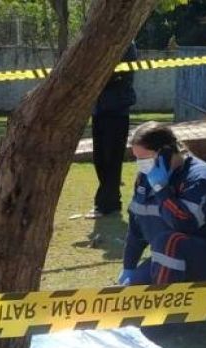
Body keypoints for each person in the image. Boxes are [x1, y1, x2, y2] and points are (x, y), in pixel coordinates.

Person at [119, 122, 206, 286]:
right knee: (130, 292)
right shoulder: (146, 178)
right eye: (137, 158)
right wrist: (128, 267)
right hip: (167, 257)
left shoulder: (199, 176)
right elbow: (136, 227)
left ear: (166, 152)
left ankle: (162, 304)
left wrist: (161, 189)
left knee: (169, 241)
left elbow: (184, 224)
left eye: (145, 158)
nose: (141, 164)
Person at [88, 42, 138, 219]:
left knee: (111, 159)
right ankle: (109, 202)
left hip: (117, 110)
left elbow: (118, 75)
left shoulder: (126, 46)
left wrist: (95, 76)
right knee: (100, 159)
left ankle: (107, 205)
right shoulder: (101, 45)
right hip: (100, 109)